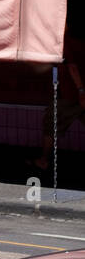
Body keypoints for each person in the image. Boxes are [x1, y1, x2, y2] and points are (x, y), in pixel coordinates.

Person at [34, 28, 85, 171]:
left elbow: (72, 67)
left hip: (70, 93)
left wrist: (81, 91)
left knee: (51, 123)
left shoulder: (66, 43)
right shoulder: (78, 42)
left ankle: (43, 159)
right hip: (75, 93)